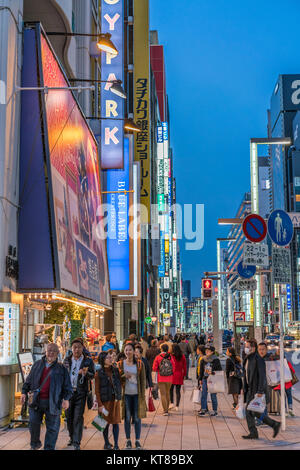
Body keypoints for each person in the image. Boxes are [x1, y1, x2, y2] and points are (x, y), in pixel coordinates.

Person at [21, 343, 72, 450]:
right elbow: (28, 380)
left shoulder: (61, 368)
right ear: (45, 352)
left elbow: (68, 386)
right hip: (36, 401)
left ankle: (49, 448)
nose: (51, 353)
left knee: (53, 428)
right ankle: (35, 444)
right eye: (49, 350)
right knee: (33, 424)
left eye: (54, 351)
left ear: (58, 353)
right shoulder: (37, 365)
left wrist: (66, 399)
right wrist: (24, 392)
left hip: (53, 401)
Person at [242, 339, 281, 439]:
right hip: (250, 389)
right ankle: (272, 425)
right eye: (245, 346)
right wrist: (244, 388)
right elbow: (246, 375)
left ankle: (259, 430)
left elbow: (262, 376)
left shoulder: (258, 359)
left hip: (256, 390)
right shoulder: (248, 358)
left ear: (253, 348)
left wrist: (259, 391)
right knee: (252, 412)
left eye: (248, 346)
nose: (246, 348)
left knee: (250, 411)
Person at [63, 338, 95, 450]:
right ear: (72, 349)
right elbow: (63, 375)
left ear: (83, 348)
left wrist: (86, 373)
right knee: (69, 417)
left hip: (81, 392)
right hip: (68, 393)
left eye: (79, 347)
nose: (76, 350)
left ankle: (77, 442)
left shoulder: (88, 361)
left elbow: (92, 375)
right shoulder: (67, 360)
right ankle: (72, 438)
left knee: (78, 417)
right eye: (75, 347)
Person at [117, 342, 147, 450]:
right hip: (126, 395)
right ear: (123, 351)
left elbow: (143, 380)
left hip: (137, 395)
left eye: (130, 350)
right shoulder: (120, 364)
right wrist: (125, 376)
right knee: (127, 418)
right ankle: (128, 440)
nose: (128, 352)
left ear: (134, 351)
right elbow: (117, 379)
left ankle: (137, 440)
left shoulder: (139, 364)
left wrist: (143, 395)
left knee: (137, 418)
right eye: (126, 350)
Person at [95, 351, 121, 450]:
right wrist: (100, 405)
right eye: (108, 358)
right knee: (104, 423)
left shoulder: (115, 370)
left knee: (115, 422)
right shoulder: (99, 374)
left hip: (114, 401)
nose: (110, 359)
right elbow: (97, 391)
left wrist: (119, 395)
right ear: (103, 360)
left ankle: (116, 444)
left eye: (111, 357)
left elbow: (118, 383)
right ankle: (106, 443)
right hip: (105, 402)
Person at [198, 345, 222, 417]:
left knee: (213, 395)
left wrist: (212, 372)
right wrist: (200, 379)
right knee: (204, 394)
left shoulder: (216, 360)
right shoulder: (203, 359)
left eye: (208, 351)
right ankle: (203, 409)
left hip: (213, 379)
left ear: (212, 352)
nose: (206, 352)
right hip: (205, 378)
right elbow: (201, 370)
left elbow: (219, 370)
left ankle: (215, 411)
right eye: (206, 350)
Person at [273, 346, 296, 417]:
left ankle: (284, 410)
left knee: (282, 397)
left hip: (279, 383)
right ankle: (290, 409)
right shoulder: (286, 362)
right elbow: (293, 371)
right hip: (287, 382)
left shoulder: (274, 363)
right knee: (289, 395)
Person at [152, 343, 174, 416]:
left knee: (163, 394)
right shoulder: (170, 357)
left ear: (161, 349)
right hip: (170, 378)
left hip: (161, 378)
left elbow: (154, 368)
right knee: (168, 393)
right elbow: (174, 367)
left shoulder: (158, 357)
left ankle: (165, 411)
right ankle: (167, 408)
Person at [169, 343, 186, 411]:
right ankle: (177, 406)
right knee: (178, 391)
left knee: (171, 390)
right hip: (179, 374)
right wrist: (184, 375)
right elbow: (184, 367)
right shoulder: (182, 356)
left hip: (172, 374)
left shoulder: (170, 356)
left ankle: (172, 403)